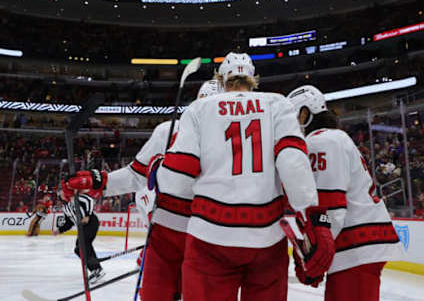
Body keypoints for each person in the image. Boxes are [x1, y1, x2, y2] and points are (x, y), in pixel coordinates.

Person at [150, 53, 335, 301]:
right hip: (267, 238)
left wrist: (158, 170)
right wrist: (311, 218)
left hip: (210, 238)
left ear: (221, 79)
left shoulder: (200, 109)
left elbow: (177, 180)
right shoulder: (277, 103)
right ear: (253, 78)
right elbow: (293, 164)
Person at [64, 80, 221, 301]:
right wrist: (98, 181)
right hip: (168, 236)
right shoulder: (168, 131)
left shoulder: (235, 139)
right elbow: (136, 175)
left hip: (210, 240)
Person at [287, 85, 405, 301]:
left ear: (304, 114)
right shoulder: (332, 138)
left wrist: (317, 252)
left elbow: (331, 206)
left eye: (291, 116)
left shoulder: (321, 141)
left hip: (355, 248)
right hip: (356, 248)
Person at [52, 183, 105, 284]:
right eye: (59, 192)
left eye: (61, 191)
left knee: (83, 245)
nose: (61, 193)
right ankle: (95, 268)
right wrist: (59, 230)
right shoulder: (66, 207)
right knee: (78, 249)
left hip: (90, 222)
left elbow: (89, 200)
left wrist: (88, 215)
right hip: (82, 227)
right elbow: (69, 222)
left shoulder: (75, 198)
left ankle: (97, 269)